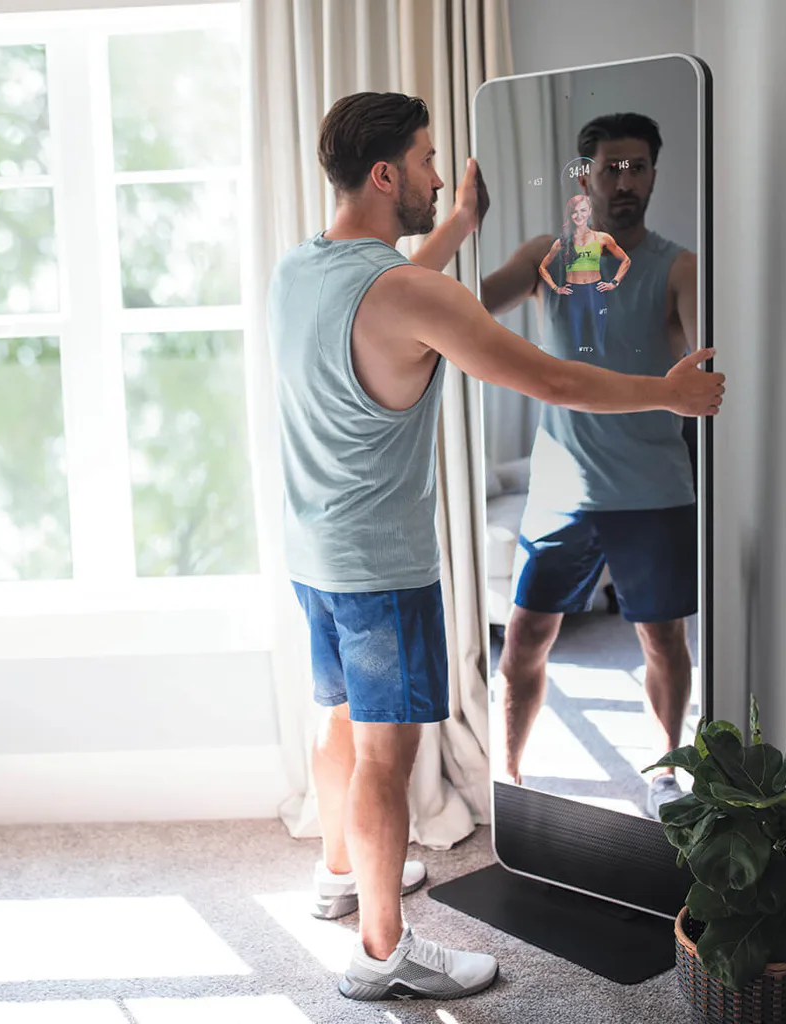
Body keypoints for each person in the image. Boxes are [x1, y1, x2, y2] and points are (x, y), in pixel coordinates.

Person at [269, 94, 723, 1002]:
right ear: (387, 174)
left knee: (337, 718)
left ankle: (339, 874)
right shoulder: (411, 292)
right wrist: (668, 395)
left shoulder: (301, 269)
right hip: (382, 568)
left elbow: (390, 296)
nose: (440, 178)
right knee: (387, 756)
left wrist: (459, 229)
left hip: (314, 551)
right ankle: (382, 955)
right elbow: (551, 378)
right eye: (427, 161)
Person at [478, 112, 703, 819]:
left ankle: (665, 774)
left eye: (638, 167)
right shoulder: (547, 257)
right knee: (524, 641)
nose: (625, 181)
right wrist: (461, 229)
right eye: (611, 168)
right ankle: (510, 776)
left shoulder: (679, 268)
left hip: (653, 488)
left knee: (662, 640)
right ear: (584, 176)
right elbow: (468, 310)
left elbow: (707, 362)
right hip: (560, 489)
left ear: (655, 175)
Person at [537, 194, 633, 357]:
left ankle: (599, 371)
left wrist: (614, 282)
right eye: (575, 212)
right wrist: (556, 288)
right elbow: (542, 267)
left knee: (599, 343)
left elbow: (626, 260)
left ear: (589, 212)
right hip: (573, 294)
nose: (579, 215)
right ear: (570, 215)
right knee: (574, 344)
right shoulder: (563, 242)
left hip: (595, 292)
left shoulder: (602, 238)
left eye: (583, 210)